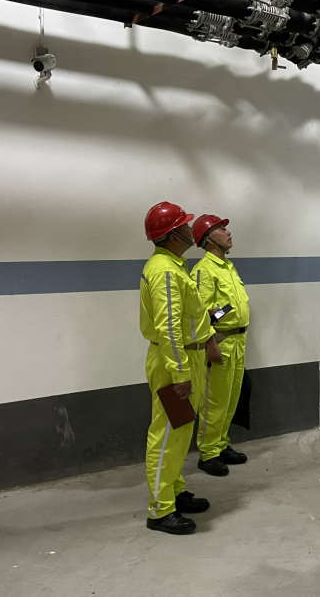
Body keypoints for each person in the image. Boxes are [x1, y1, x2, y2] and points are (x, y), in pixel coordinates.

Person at [140, 201, 224, 535]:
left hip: (187, 357)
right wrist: (180, 374)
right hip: (174, 363)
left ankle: (174, 492)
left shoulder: (173, 265)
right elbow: (169, 328)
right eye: (186, 225)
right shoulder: (165, 271)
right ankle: (161, 511)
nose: (192, 229)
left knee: (180, 431)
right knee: (167, 435)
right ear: (174, 235)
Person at [191, 214, 250, 477]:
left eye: (226, 228)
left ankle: (222, 444)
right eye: (220, 229)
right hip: (220, 342)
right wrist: (210, 343)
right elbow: (201, 314)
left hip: (238, 341)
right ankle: (208, 453)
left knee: (230, 398)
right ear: (207, 239)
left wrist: (225, 311)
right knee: (214, 401)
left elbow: (226, 307)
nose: (228, 232)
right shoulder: (204, 270)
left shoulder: (228, 267)